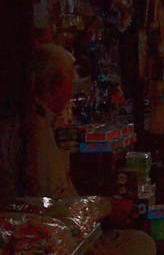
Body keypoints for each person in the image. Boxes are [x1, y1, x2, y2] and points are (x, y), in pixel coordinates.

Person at [0, 45, 155, 254]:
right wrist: (106, 207)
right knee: (140, 244)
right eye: (69, 81)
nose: (73, 89)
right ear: (57, 85)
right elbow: (52, 206)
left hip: (58, 230)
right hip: (49, 237)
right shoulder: (34, 131)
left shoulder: (37, 125)